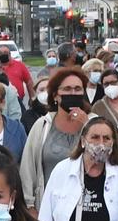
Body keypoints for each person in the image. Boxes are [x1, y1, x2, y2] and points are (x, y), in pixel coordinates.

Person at [21, 65, 94, 210]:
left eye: (77, 89)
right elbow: (27, 169)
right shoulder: (43, 125)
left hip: (86, 206)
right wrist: (30, 206)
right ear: (55, 95)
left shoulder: (94, 122)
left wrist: (87, 126)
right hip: (48, 207)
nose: (73, 93)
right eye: (67, 89)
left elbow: (104, 157)